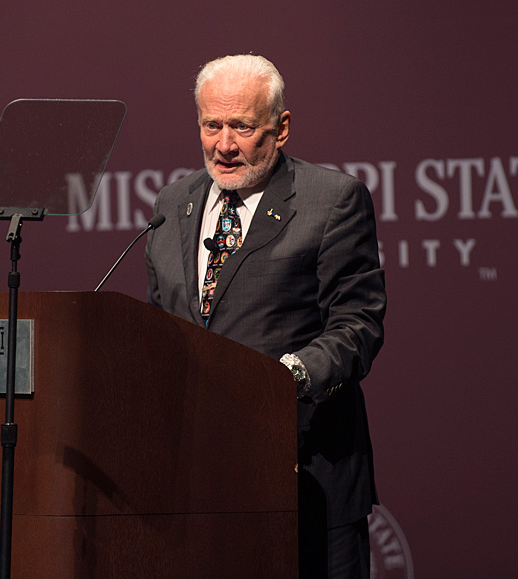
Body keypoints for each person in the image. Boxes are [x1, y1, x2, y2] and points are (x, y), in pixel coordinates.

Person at [145, 54, 386, 578]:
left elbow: (358, 324)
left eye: (243, 127)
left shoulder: (331, 201)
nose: (225, 145)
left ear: (281, 128)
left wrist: (287, 378)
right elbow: (158, 328)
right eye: (212, 125)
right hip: (200, 483)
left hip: (307, 478)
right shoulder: (172, 204)